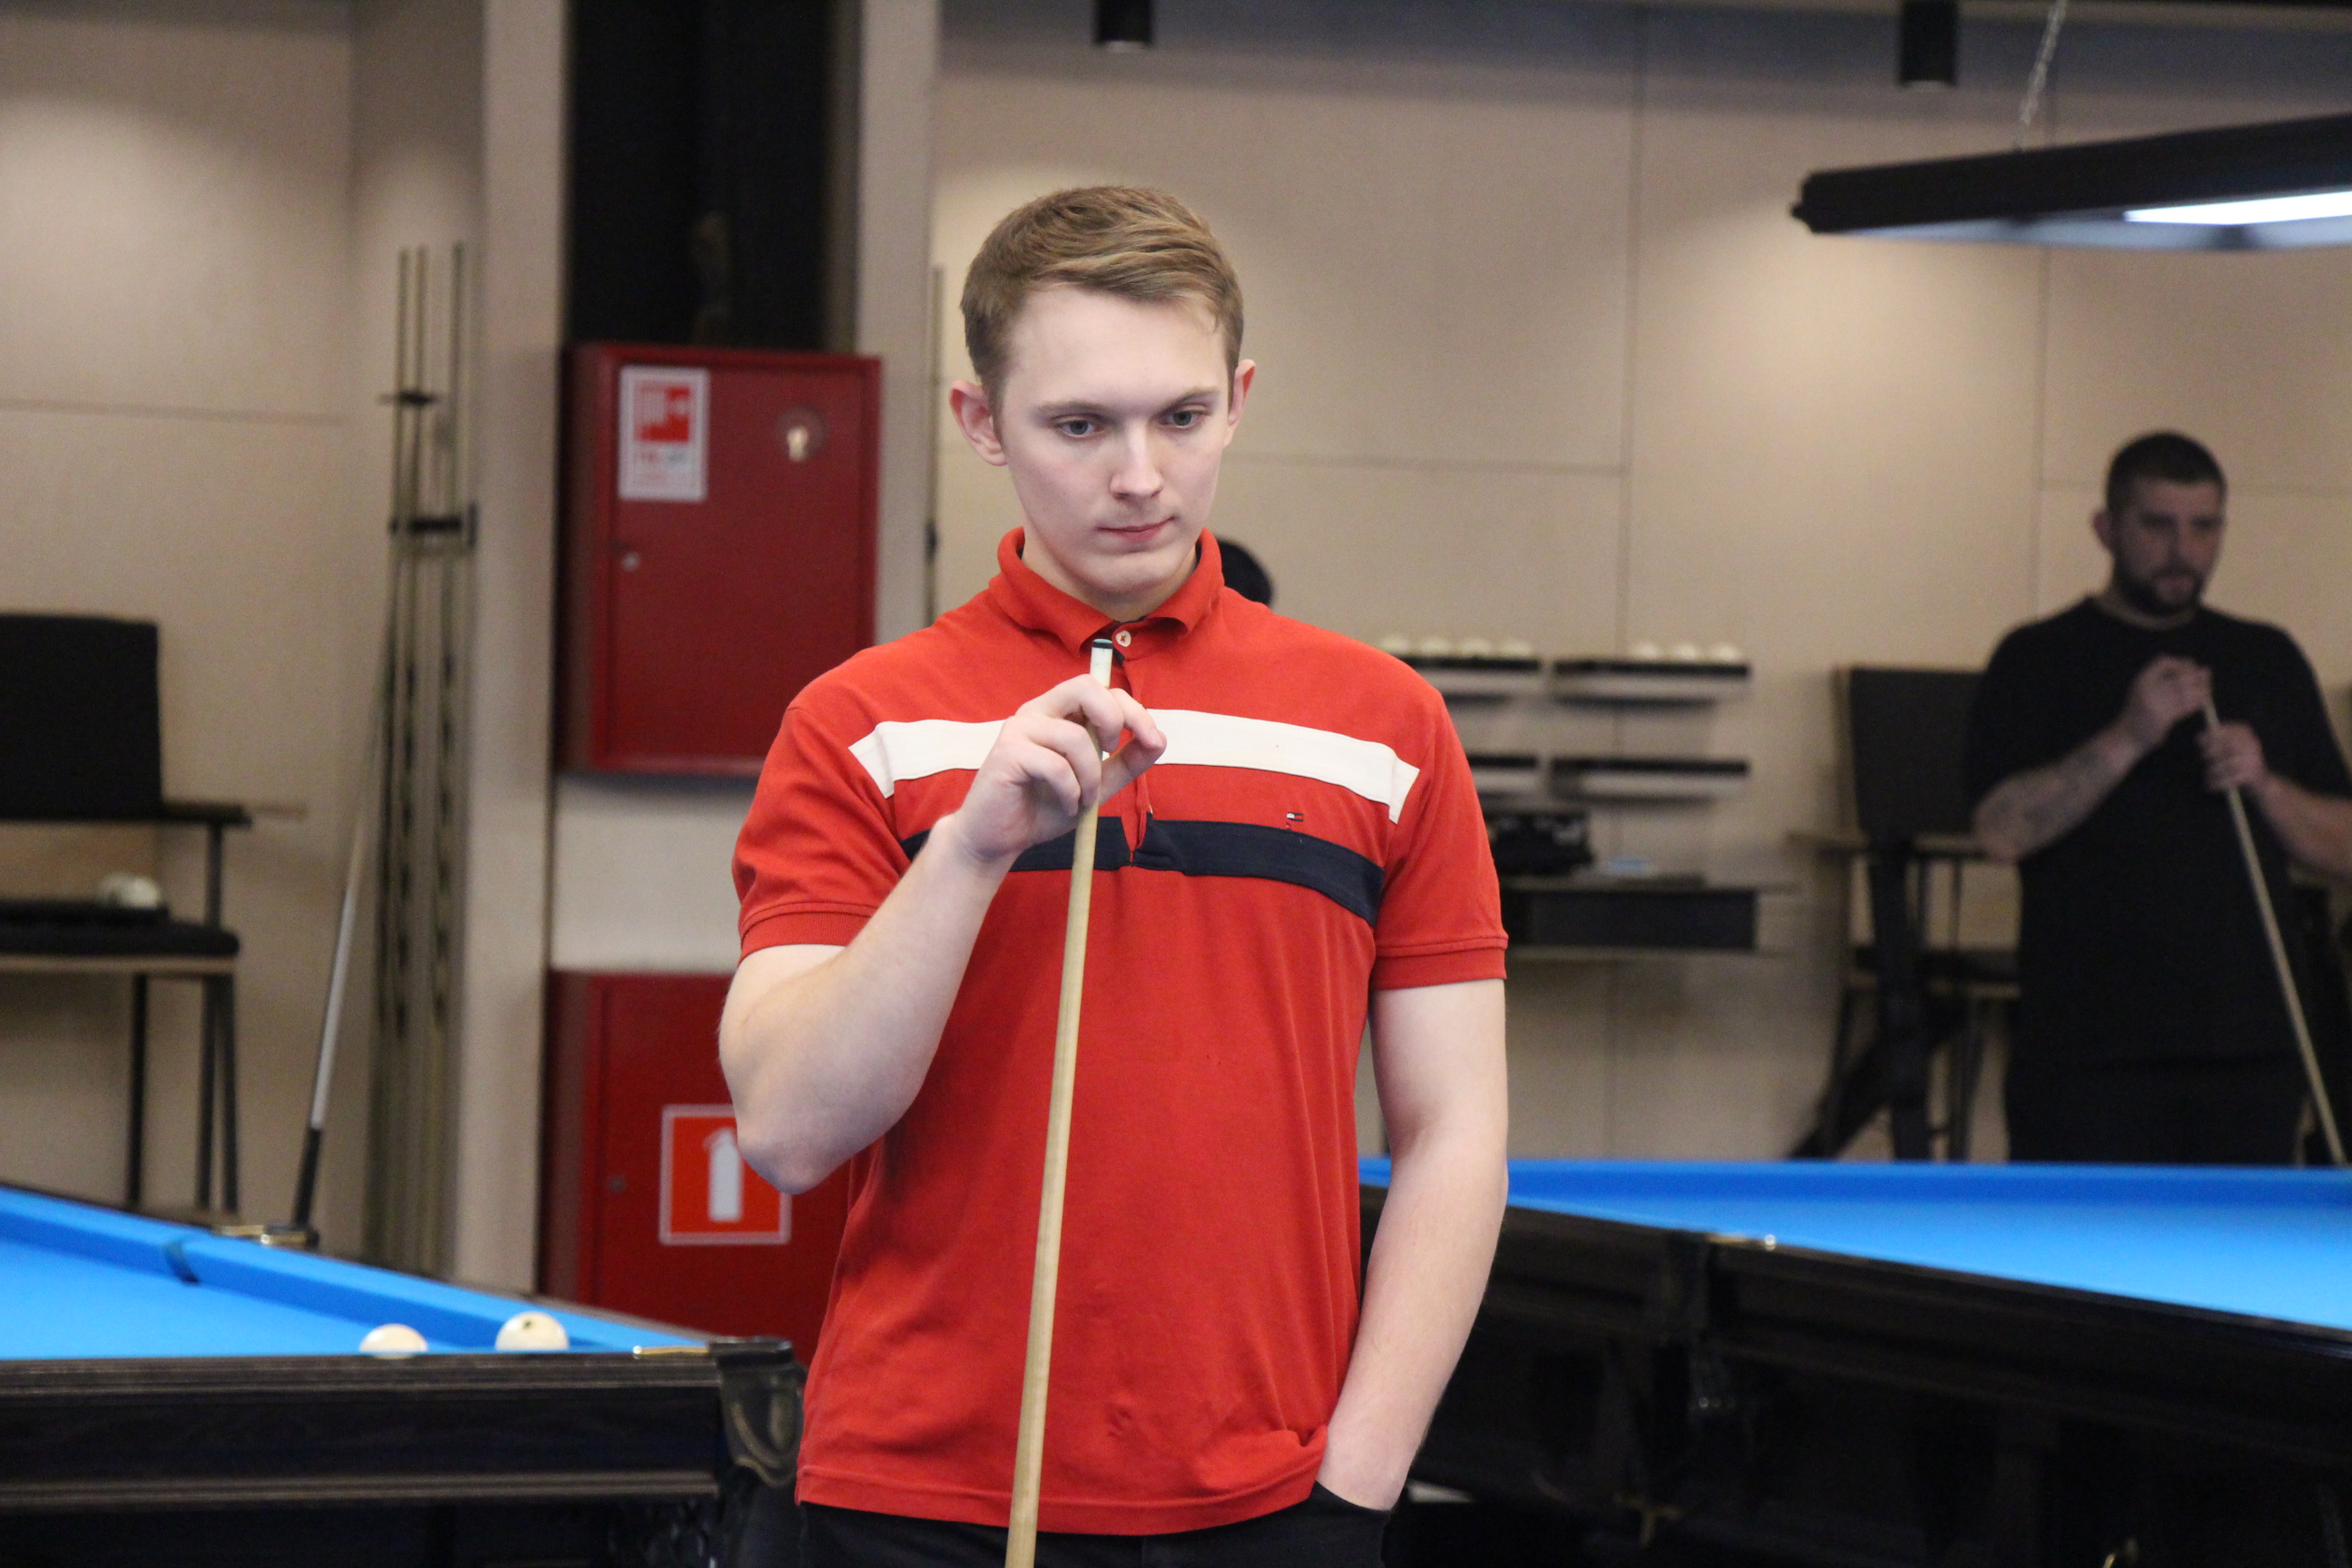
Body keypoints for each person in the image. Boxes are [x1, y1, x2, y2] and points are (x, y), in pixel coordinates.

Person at [721, 186, 1509, 1567]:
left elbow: (1454, 1129)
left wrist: (1357, 1484)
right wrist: (971, 847)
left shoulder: (1386, 728)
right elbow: (790, 1130)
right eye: (1079, 425)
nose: (1141, 475)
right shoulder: (860, 724)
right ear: (981, 423)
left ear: (1238, 400)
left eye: (1181, 416)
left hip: (1274, 1509)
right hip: (917, 1506)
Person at [1965, 431, 2352, 1164]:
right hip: (2085, 1054)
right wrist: (2128, 737)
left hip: (2248, 1049)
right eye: (2157, 526)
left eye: (2203, 527)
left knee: (2240, 1242)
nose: (2183, 550)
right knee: (2078, 1243)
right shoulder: (2036, 658)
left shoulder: (2267, 658)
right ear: (2105, 529)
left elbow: (2345, 846)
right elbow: (2001, 832)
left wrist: (2265, 784)